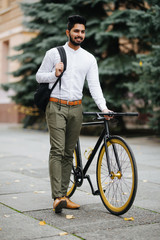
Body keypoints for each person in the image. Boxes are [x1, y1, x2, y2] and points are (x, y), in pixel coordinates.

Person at [36, 15, 113, 213]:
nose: (80, 35)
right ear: (68, 32)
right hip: (56, 106)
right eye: (76, 31)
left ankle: (64, 196)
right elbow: (38, 76)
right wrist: (54, 74)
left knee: (68, 153)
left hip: (76, 108)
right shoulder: (54, 53)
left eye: (83, 31)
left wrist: (103, 108)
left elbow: (94, 85)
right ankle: (57, 197)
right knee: (58, 150)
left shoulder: (89, 58)